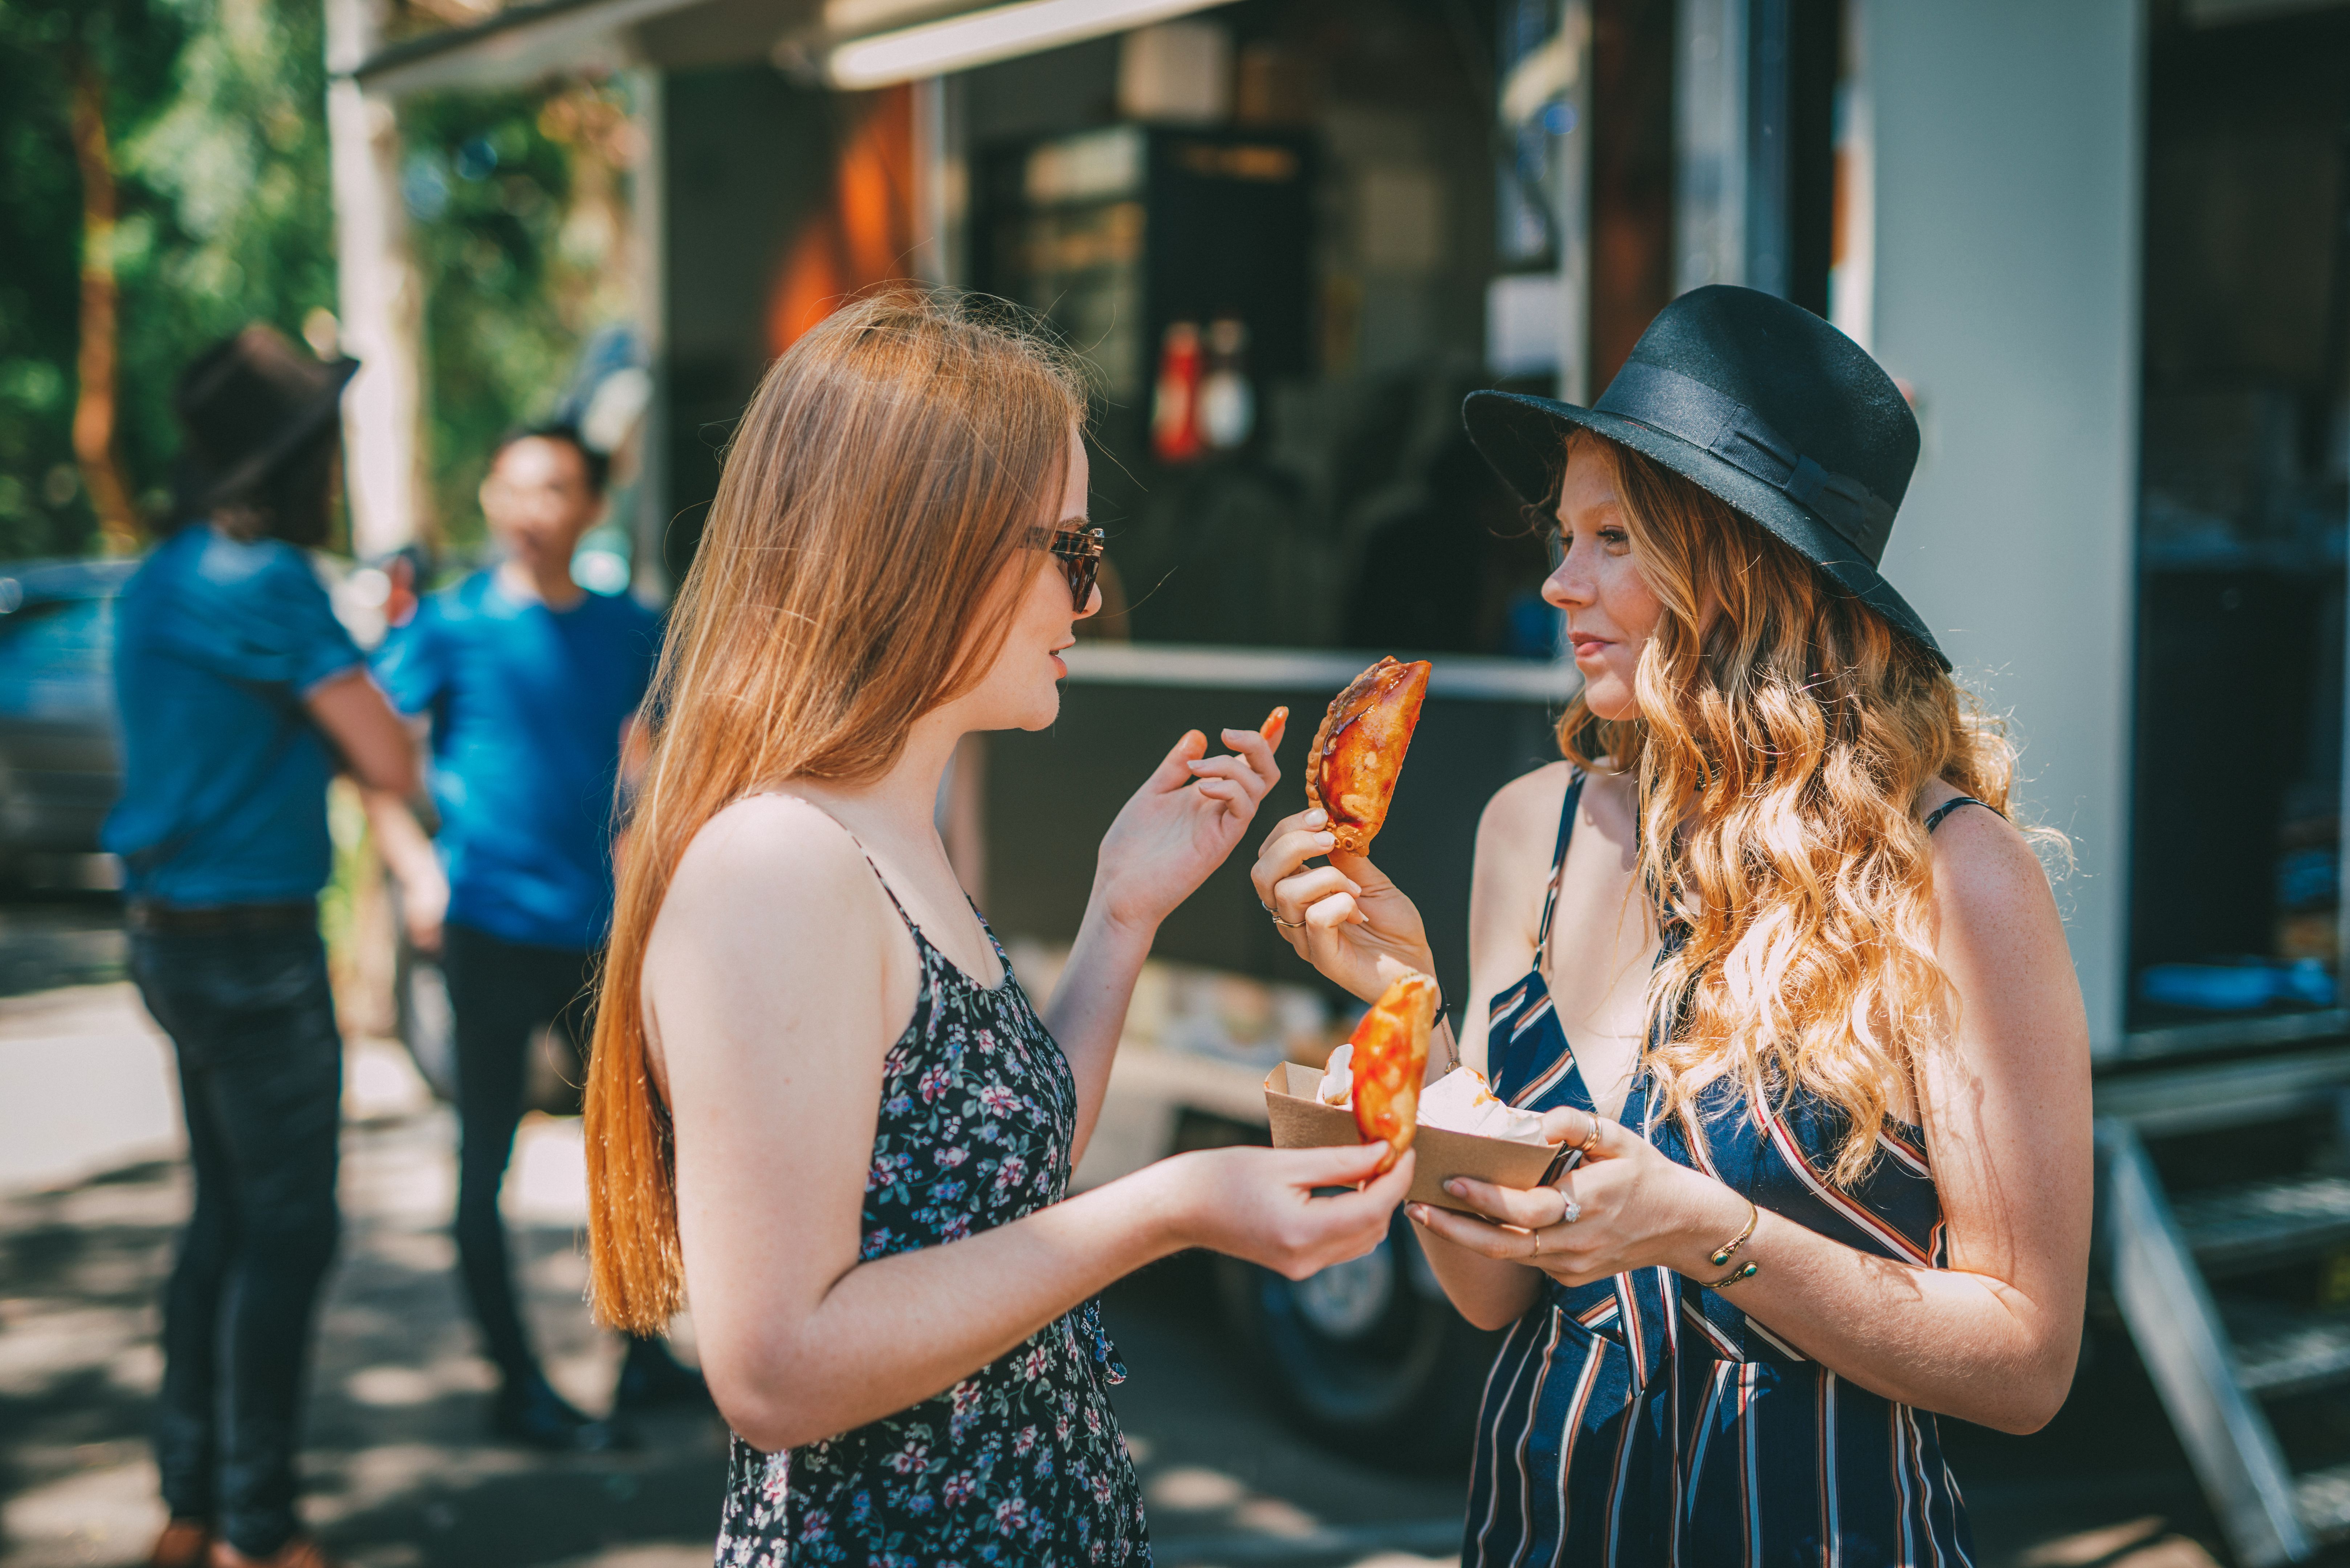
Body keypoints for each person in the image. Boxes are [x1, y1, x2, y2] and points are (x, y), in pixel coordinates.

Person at [1254, 286, 2093, 1566]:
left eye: (1611, 541)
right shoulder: (1522, 830)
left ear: (1741, 572)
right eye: (1561, 534)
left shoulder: (1951, 876)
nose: (1555, 580)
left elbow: (2027, 1366)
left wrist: (1706, 1233)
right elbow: (1490, 1297)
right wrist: (1403, 1011)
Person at [580, 291, 1412, 1563]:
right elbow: (776, 1368)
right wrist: (1173, 1207)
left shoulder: (883, 830)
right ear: (932, 546)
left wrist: (1121, 911)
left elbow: (996, 1183)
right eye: (1071, 552)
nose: (1089, 602)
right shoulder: (778, 864)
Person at [106, 325, 421, 1568]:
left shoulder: (165, 574)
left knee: (225, 1222)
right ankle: (259, 1524)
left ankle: (191, 1503)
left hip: (173, 939)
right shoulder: (267, 583)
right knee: (288, 1233)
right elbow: (390, 758)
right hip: (256, 948)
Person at [363, 423, 699, 1449]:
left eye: (553, 488)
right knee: (485, 1159)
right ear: (491, 504)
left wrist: (647, 857)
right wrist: (418, 870)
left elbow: (655, 756)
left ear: (590, 506)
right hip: (489, 926)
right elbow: (373, 754)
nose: (529, 508)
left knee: (637, 1146)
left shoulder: (627, 627)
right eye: (511, 488)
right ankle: (517, 1382)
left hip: (600, 930)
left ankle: (641, 1358)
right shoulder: (450, 626)